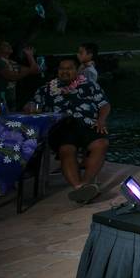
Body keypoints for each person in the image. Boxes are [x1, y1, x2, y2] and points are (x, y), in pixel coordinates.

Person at [24, 56, 110, 204]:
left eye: (69, 68)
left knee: (101, 143)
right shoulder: (46, 89)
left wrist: (101, 120)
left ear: (77, 70)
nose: (65, 71)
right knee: (67, 150)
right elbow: (31, 105)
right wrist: (29, 107)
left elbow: (104, 105)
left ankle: (85, 184)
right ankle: (79, 188)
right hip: (61, 127)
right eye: (61, 69)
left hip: (88, 124)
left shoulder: (90, 85)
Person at [0, 41, 39, 109]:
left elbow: (35, 70)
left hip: (11, 98)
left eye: (9, 45)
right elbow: (12, 77)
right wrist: (28, 71)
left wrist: (30, 55)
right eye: (5, 46)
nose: (9, 46)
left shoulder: (12, 63)